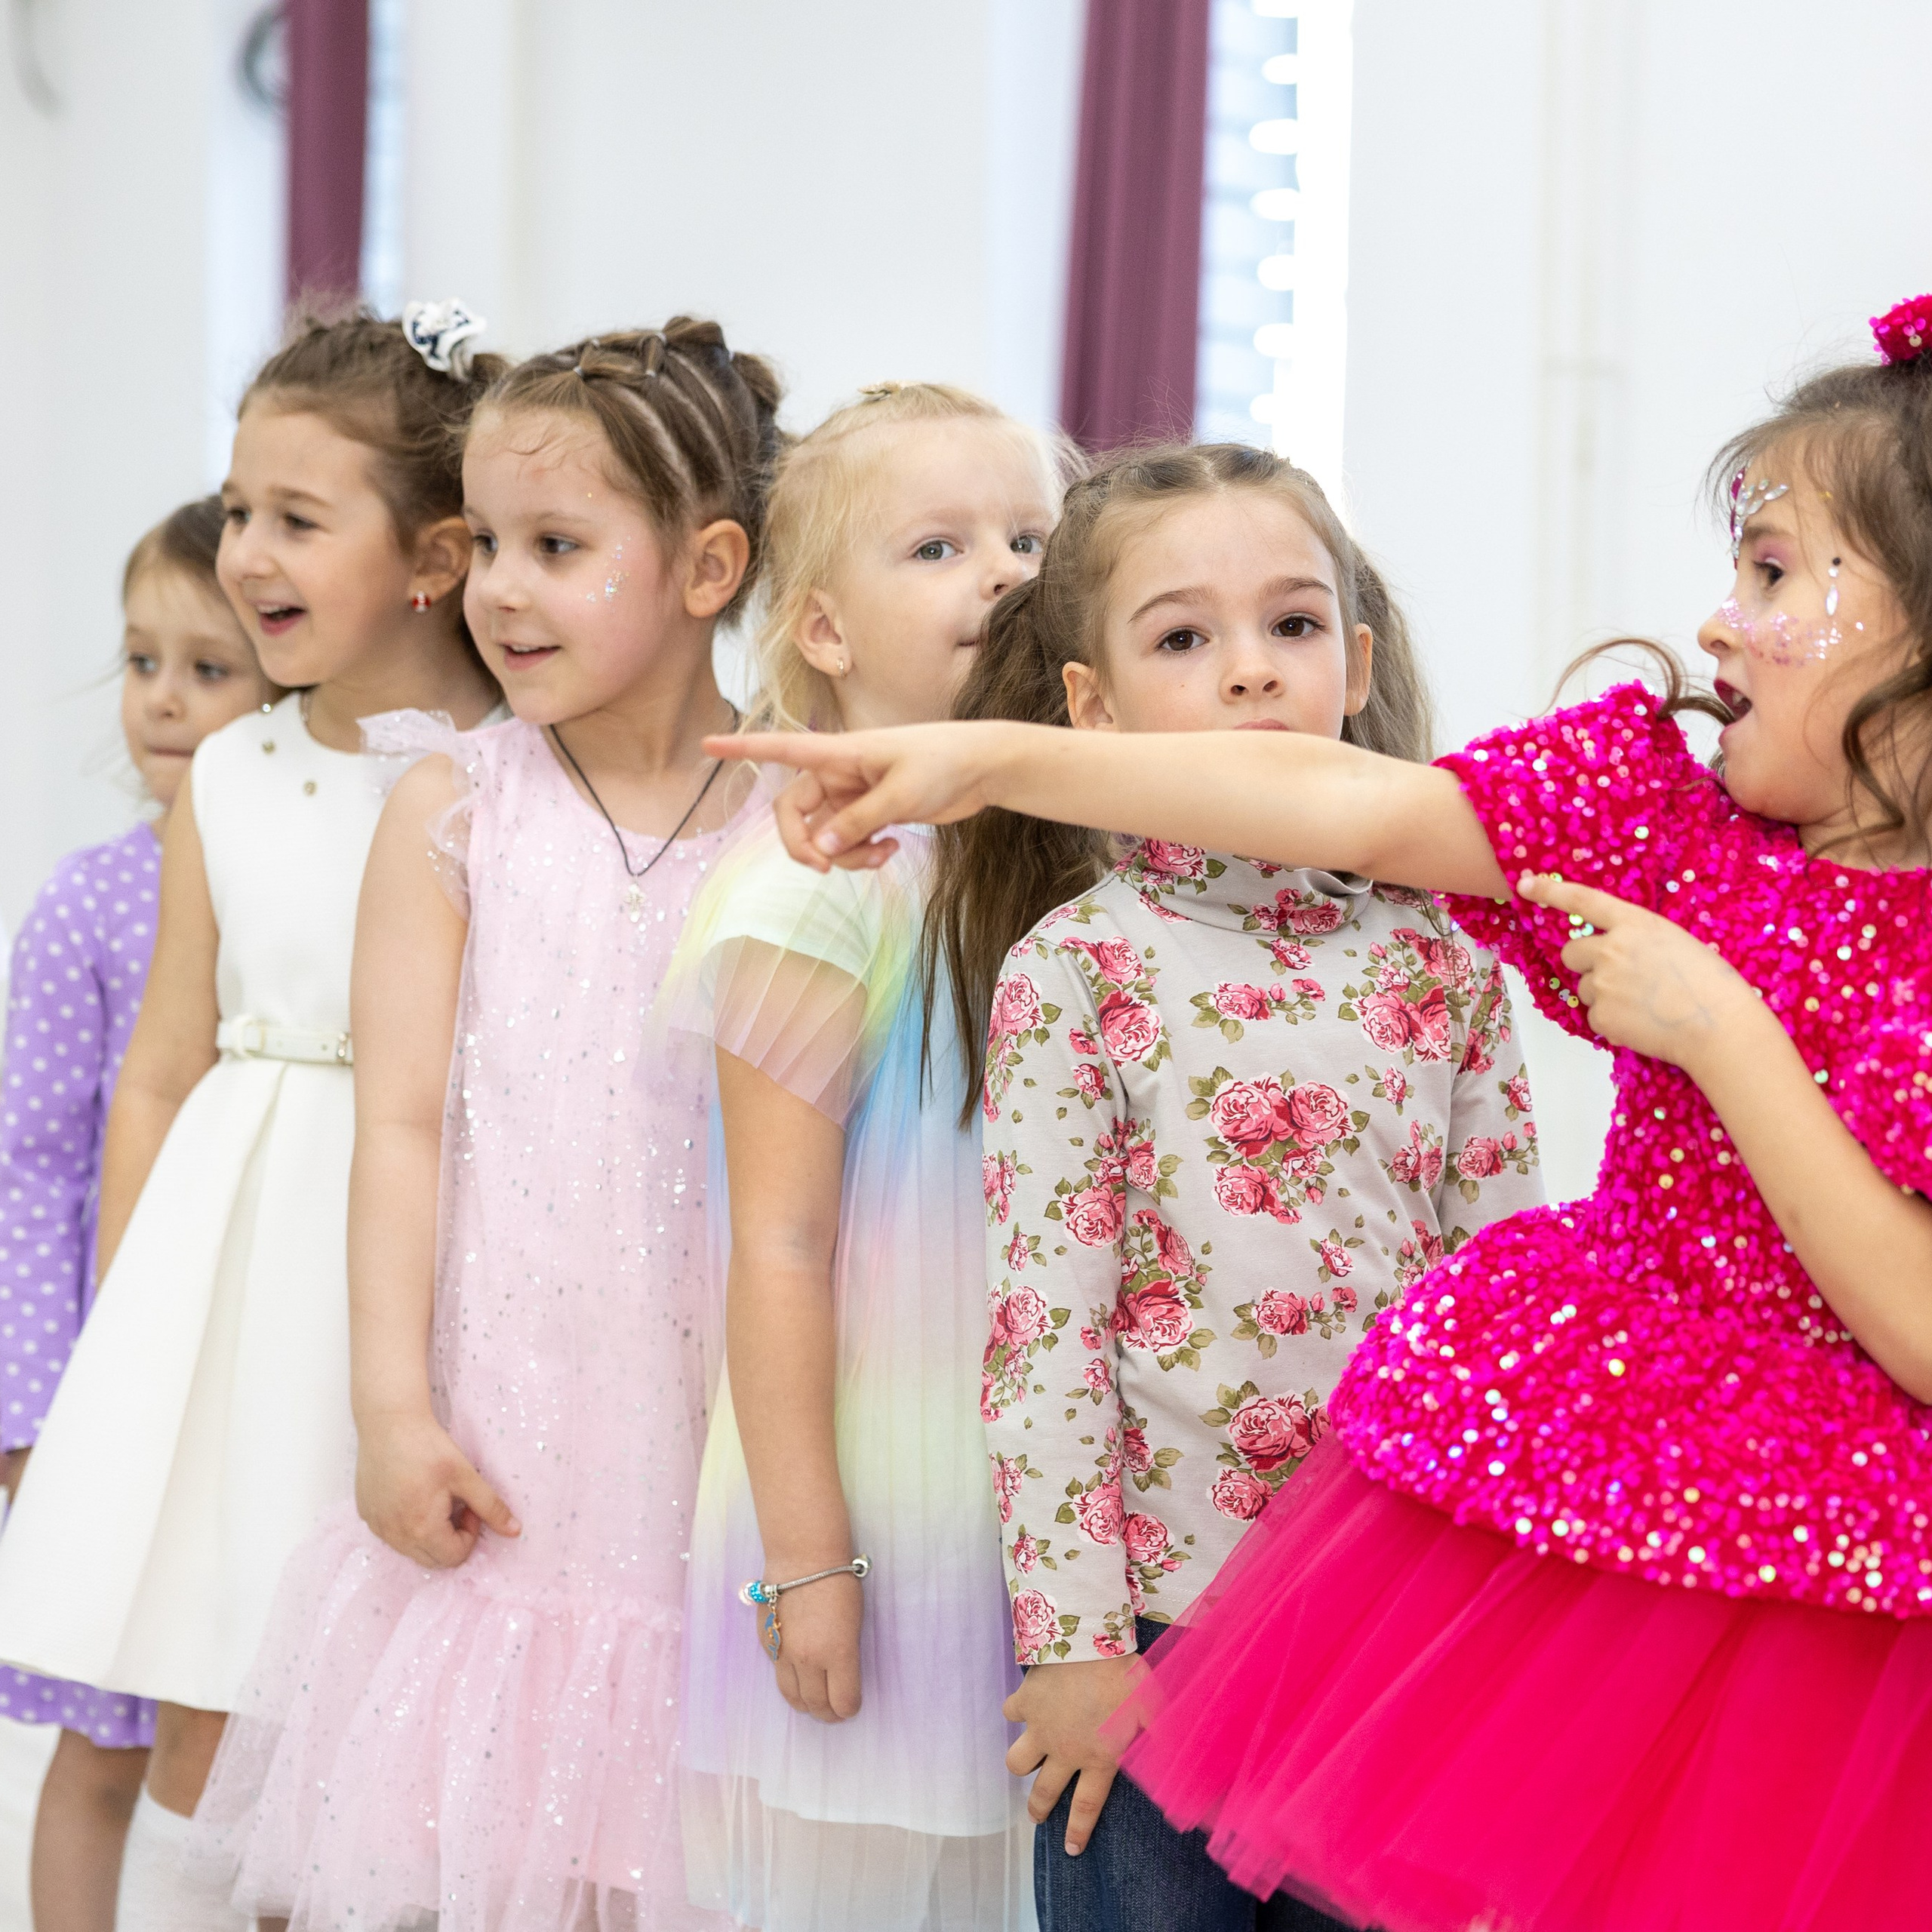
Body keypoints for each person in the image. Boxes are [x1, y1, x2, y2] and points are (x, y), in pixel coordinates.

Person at [712, 300, 1932, 1930]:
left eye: (1779, 574)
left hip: (1832, 1614)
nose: (1720, 621)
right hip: (1495, 1559)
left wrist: (1721, 1031)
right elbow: (1334, 796)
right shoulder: (1658, 818)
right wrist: (981, 757)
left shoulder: (1548, 961)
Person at [192, 320, 782, 1932]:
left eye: (557, 546)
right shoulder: (455, 805)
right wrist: (391, 1406)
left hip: (711, 1445)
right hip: (506, 1442)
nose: (498, 589)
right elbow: (395, 1129)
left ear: (708, 563)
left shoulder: (797, 823)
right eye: (489, 544)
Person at [926, 445, 1541, 1932]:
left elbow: (1505, 1295)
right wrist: (1072, 1639)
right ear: (1091, 708)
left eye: (1290, 624)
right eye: (1183, 637)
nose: (1251, 672)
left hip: (1387, 1614)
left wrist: (1496, 1602)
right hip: (1152, 1631)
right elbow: (1044, 1334)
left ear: (1354, 657)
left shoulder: (1443, 953)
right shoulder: (1079, 968)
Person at [0, 304, 505, 1932]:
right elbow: (159, 1063)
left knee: (391, 1685)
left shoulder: (511, 775)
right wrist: (139, 1332)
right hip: (233, 1275)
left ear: (432, 556)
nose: (246, 552)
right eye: (237, 510)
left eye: (297, 516)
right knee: (216, 1688)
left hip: (425, 1267)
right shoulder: (228, 772)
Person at [657, 383, 1067, 1930]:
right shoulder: (819, 884)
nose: (1005, 571)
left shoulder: (1028, 846)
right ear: (821, 630)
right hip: (878, 1506)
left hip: (1019, 1501)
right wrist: (810, 1557)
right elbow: (772, 1245)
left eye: (1031, 535)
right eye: (939, 544)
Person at [0, 498, 274, 1932]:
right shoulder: (90, 905)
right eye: (142, 660)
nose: (164, 700)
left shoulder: (310, 891)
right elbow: (29, 1172)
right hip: (115, 1377)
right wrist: (37, 1409)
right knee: (103, 1742)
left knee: (248, 1758)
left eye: (210, 669)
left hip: (255, 1390)